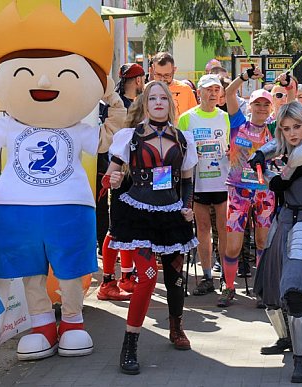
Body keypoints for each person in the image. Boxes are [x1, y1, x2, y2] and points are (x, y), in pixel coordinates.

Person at [0, 2, 123, 361]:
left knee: (71, 269)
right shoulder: (10, 125)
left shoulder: (78, 130)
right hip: (17, 209)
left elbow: (110, 135)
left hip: (70, 207)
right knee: (31, 273)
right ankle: (43, 324)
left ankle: (73, 322)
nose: (44, 82)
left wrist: (113, 98)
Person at [105, 81, 199, 374]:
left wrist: (187, 206)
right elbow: (112, 174)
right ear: (145, 104)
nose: (158, 102)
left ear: (171, 105)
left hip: (171, 216)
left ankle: (176, 326)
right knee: (146, 278)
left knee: (175, 278)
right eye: (152, 98)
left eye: (163, 98)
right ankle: (130, 344)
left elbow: (186, 180)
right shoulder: (128, 136)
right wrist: (114, 179)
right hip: (139, 215)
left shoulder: (183, 139)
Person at [251, 101, 302, 383]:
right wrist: (260, 152)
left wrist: (263, 168)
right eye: (286, 128)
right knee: (268, 290)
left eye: (297, 126)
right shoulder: (292, 145)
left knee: (295, 291)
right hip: (283, 221)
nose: (292, 132)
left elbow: (277, 184)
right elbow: (278, 144)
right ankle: (285, 339)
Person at [178, 75, 244, 296]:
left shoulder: (225, 117)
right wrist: (189, 153)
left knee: (224, 229)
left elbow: (234, 145)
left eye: (217, 89)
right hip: (198, 182)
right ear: (199, 92)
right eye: (208, 89)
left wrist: (230, 151)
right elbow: (179, 148)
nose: (213, 93)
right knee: (203, 229)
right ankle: (207, 276)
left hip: (222, 181)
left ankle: (227, 276)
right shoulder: (187, 118)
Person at [219, 69, 278, 307]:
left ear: (271, 108)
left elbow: (295, 108)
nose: (262, 109)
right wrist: (245, 76)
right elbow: (229, 92)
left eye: (266, 105)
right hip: (238, 191)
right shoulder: (238, 122)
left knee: (263, 242)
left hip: (265, 192)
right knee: (233, 245)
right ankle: (229, 287)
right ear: (250, 106)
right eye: (257, 104)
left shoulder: (274, 129)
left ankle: (261, 289)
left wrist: (287, 86)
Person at [96, 63, 146, 301]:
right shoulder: (116, 107)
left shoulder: (133, 104)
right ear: (138, 80)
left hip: (137, 174)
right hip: (119, 174)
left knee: (131, 230)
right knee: (115, 230)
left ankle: (127, 277)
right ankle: (107, 281)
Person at [150, 52, 197, 117]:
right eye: (158, 75)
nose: (162, 79)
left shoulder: (186, 90)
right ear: (153, 69)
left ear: (174, 70)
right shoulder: (146, 90)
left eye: (167, 75)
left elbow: (194, 117)